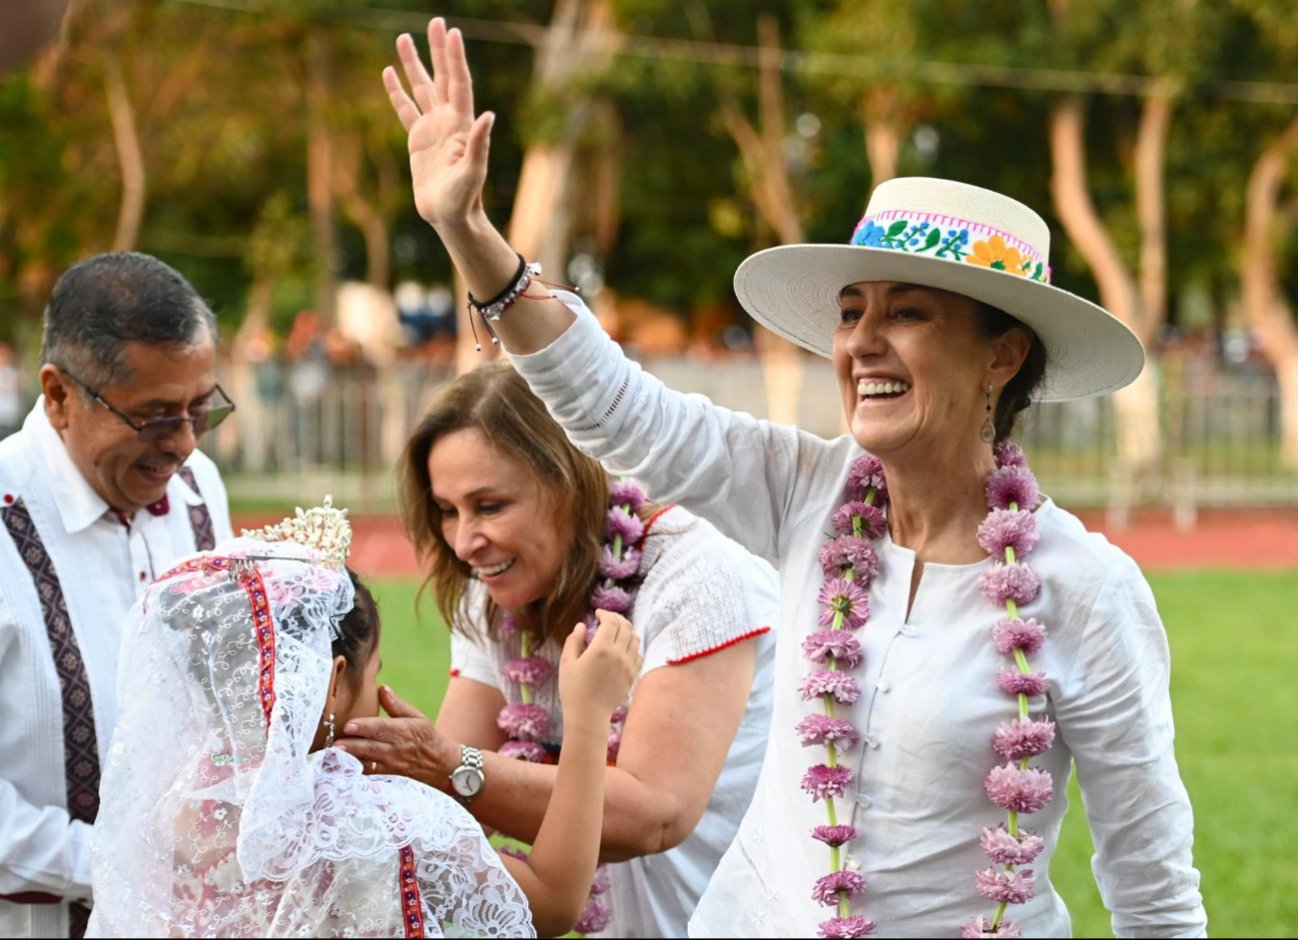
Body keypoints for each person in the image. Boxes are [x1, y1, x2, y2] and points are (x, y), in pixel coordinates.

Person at [377, 19, 1208, 938]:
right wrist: (467, 231)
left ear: (1002, 355)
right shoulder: (804, 493)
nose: (861, 341)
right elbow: (617, 408)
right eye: (853, 312)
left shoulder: (1086, 591)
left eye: (910, 312)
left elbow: (1151, 879)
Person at [336, 361, 779, 938]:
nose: (465, 542)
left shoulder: (700, 574)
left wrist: (448, 766)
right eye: (447, 510)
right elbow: (447, 795)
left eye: (489, 505)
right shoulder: (488, 594)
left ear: (568, 480)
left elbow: (654, 815)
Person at [85, 501, 644, 938]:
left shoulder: (179, 808)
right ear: (330, 683)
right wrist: (590, 717)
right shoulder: (381, 819)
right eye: (375, 669)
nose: (380, 689)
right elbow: (552, 899)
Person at [0, 251, 236, 939]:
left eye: (201, 410)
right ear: (58, 395)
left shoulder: (200, 492)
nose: (185, 444)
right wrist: (123, 867)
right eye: (155, 416)